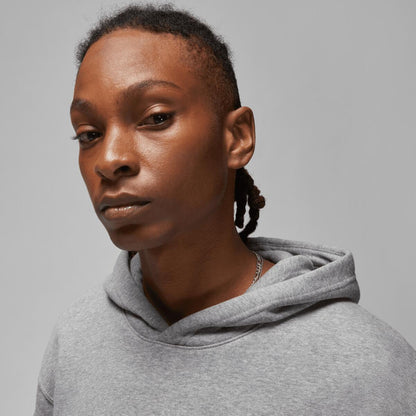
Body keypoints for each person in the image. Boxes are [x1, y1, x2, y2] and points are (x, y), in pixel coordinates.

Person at [34, 4, 416, 415]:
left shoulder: (366, 366)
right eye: (89, 134)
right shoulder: (75, 343)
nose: (109, 160)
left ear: (236, 137)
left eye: (156, 118)